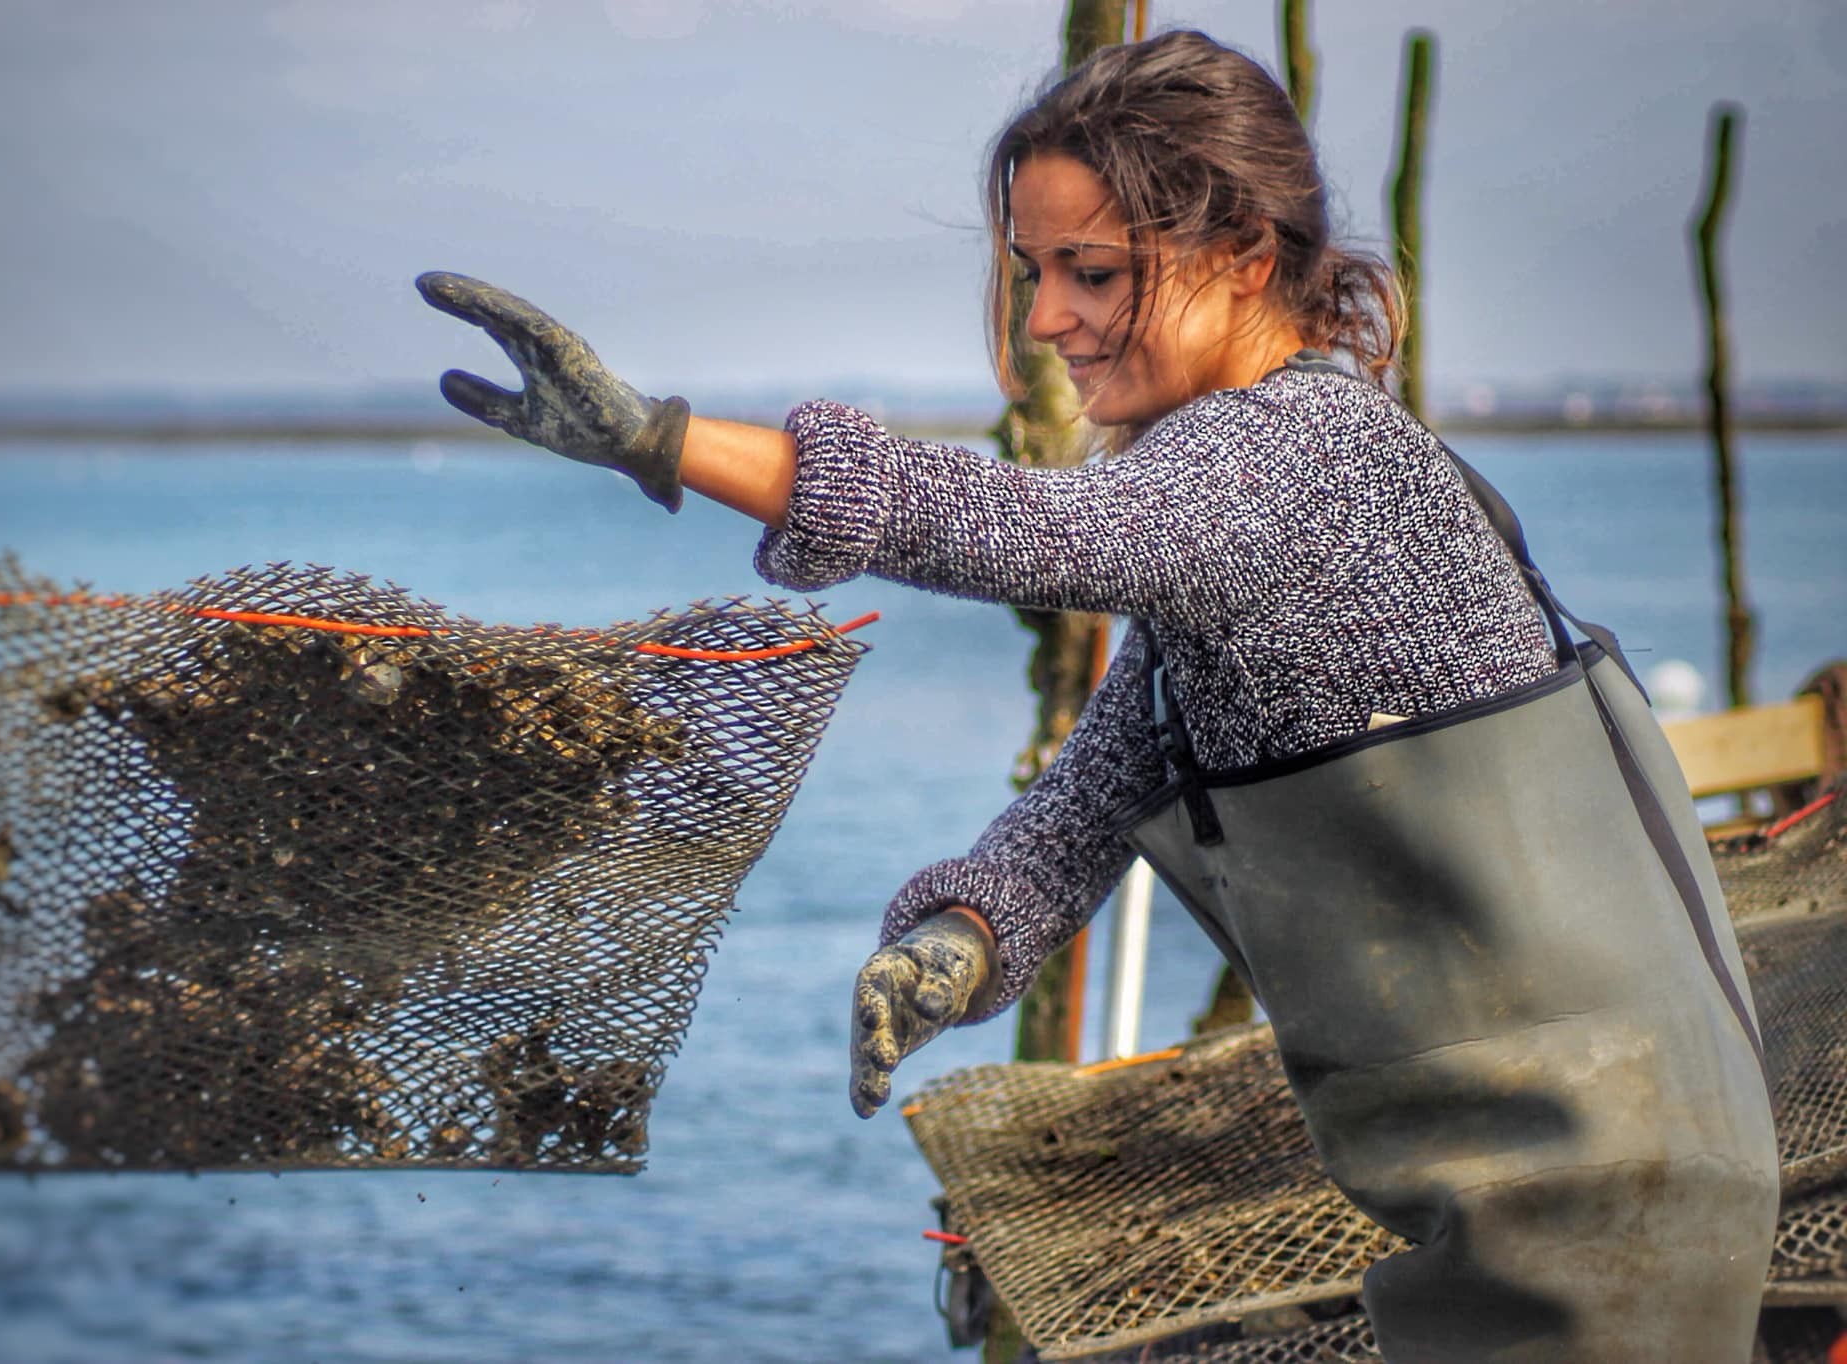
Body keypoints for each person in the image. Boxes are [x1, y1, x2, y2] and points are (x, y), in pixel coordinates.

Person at [418, 30, 1779, 1363]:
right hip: (1533, 1179)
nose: (1050, 319)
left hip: (1602, 1200)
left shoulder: (1302, 456)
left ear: (1246, 257)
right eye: (1033, 272)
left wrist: (665, 443)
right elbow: (1113, 771)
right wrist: (968, 932)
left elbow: (1040, 529)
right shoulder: (1246, 509)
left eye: (1094, 272)